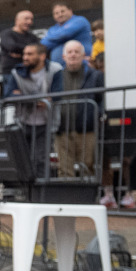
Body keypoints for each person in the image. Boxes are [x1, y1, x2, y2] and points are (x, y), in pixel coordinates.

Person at [3, 41, 61, 180]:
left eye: (30, 54)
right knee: (22, 159)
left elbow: (58, 94)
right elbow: (9, 95)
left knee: (40, 159)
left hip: (46, 122)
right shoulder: (16, 72)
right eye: (24, 54)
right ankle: (25, 192)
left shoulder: (55, 70)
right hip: (23, 122)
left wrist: (22, 96)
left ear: (42, 56)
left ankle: (40, 194)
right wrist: (37, 100)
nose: (25, 57)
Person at [50, 39, 103, 180]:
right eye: (69, 52)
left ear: (83, 55)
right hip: (62, 130)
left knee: (88, 166)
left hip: (87, 130)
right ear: (64, 57)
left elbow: (101, 100)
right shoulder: (57, 76)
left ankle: (89, 200)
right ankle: (67, 200)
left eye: (76, 52)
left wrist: (97, 117)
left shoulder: (94, 75)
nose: (73, 55)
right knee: (64, 170)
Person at [0, 9, 38, 75]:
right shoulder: (7, 34)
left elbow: (38, 49)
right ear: (17, 20)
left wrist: (19, 52)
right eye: (26, 19)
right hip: (10, 72)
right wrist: (29, 51)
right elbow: (12, 47)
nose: (29, 22)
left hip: (29, 72)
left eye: (31, 19)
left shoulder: (32, 37)